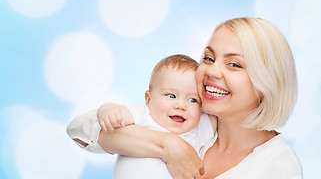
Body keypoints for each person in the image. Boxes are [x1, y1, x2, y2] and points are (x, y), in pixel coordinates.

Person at [68, 17, 303, 179]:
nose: (211, 71)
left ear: (267, 82)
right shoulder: (190, 120)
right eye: (209, 58)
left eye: (234, 64)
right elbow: (81, 130)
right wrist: (168, 146)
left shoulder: (278, 165)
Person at [67, 54, 216, 178]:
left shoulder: (195, 131)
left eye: (192, 100)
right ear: (148, 99)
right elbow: (114, 114)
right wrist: (107, 110)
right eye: (171, 95)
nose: (181, 106)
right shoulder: (143, 115)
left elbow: (225, 117)